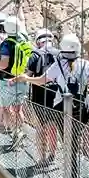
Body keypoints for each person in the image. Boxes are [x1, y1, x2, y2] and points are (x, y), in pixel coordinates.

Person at [14, 33, 89, 178]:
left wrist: (25, 77)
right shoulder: (86, 65)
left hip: (62, 108)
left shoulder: (58, 65)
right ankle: (72, 169)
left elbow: (40, 80)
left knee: (67, 138)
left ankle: (70, 170)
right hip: (83, 109)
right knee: (74, 137)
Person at [0, 13, 31, 145]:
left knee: (5, 107)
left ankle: (16, 131)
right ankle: (22, 131)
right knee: (18, 109)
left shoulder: (6, 44)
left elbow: (4, 63)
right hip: (22, 80)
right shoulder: (24, 41)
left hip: (8, 81)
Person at [25, 28, 59, 168]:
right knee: (53, 126)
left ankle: (41, 158)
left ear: (38, 41)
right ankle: (52, 154)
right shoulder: (60, 54)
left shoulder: (35, 55)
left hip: (39, 96)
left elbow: (28, 75)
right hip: (57, 96)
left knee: (40, 127)